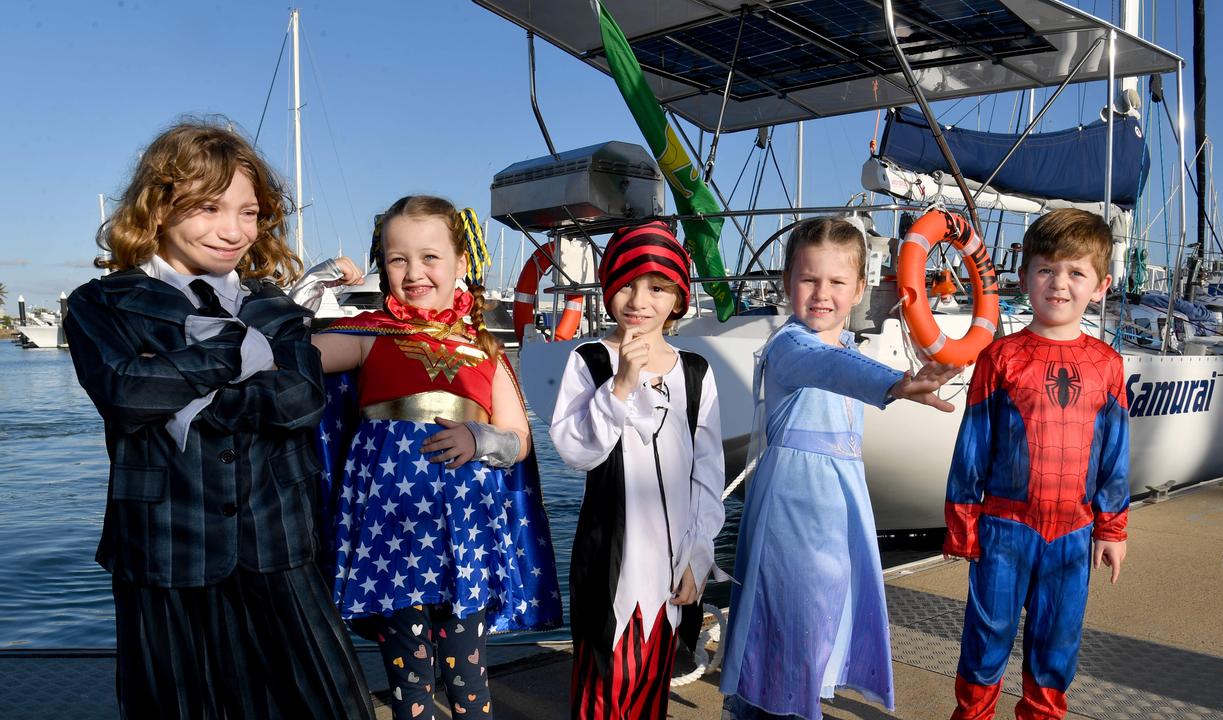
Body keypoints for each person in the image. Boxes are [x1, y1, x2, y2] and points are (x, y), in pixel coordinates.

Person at [62, 119, 373, 719]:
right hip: (162, 548)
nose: (233, 231)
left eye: (249, 212)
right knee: (175, 705)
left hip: (278, 540)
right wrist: (238, 352)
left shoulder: (275, 307)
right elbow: (124, 392)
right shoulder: (100, 304)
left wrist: (179, 381)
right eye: (208, 208)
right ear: (157, 207)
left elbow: (300, 401)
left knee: (332, 704)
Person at [311, 195, 561, 720]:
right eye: (398, 259)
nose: (414, 271)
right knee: (410, 678)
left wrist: (479, 439)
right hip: (391, 537)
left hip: (466, 536)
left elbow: (519, 438)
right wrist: (318, 280)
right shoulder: (368, 335)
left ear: (461, 264)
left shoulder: (484, 350)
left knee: (469, 676)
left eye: (430, 257)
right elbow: (292, 353)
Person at [719, 217, 961, 720]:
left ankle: (783, 702)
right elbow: (828, 369)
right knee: (789, 616)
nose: (821, 293)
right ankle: (762, 708)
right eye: (808, 280)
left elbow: (843, 362)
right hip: (793, 509)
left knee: (824, 617)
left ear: (859, 289)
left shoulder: (850, 347)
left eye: (836, 282)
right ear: (787, 283)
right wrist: (897, 384)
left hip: (837, 508)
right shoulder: (789, 345)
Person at [944, 208, 1129, 719]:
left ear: (1101, 285)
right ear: (1024, 276)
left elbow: (1114, 454)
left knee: (1056, 646)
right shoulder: (1000, 358)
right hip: (1004, 528)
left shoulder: (1108, 365)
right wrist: (962, 523)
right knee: (985, 641)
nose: (1059, 284)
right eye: (1046, 269)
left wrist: (1112, 530)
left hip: (1072, 534)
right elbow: (973, 446)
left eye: (1076, 272)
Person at [549, 221, 727, 720]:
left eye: (657, 288)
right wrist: (622, 386)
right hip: (611, 561)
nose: (638, 300)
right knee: (601, 688)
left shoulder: (695, 371)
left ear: (678, 297)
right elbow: (576, 450)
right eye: (626, 283)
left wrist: (698, 556)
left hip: (671, 569)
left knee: (652, 688)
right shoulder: (590, 360)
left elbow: (708, 474)